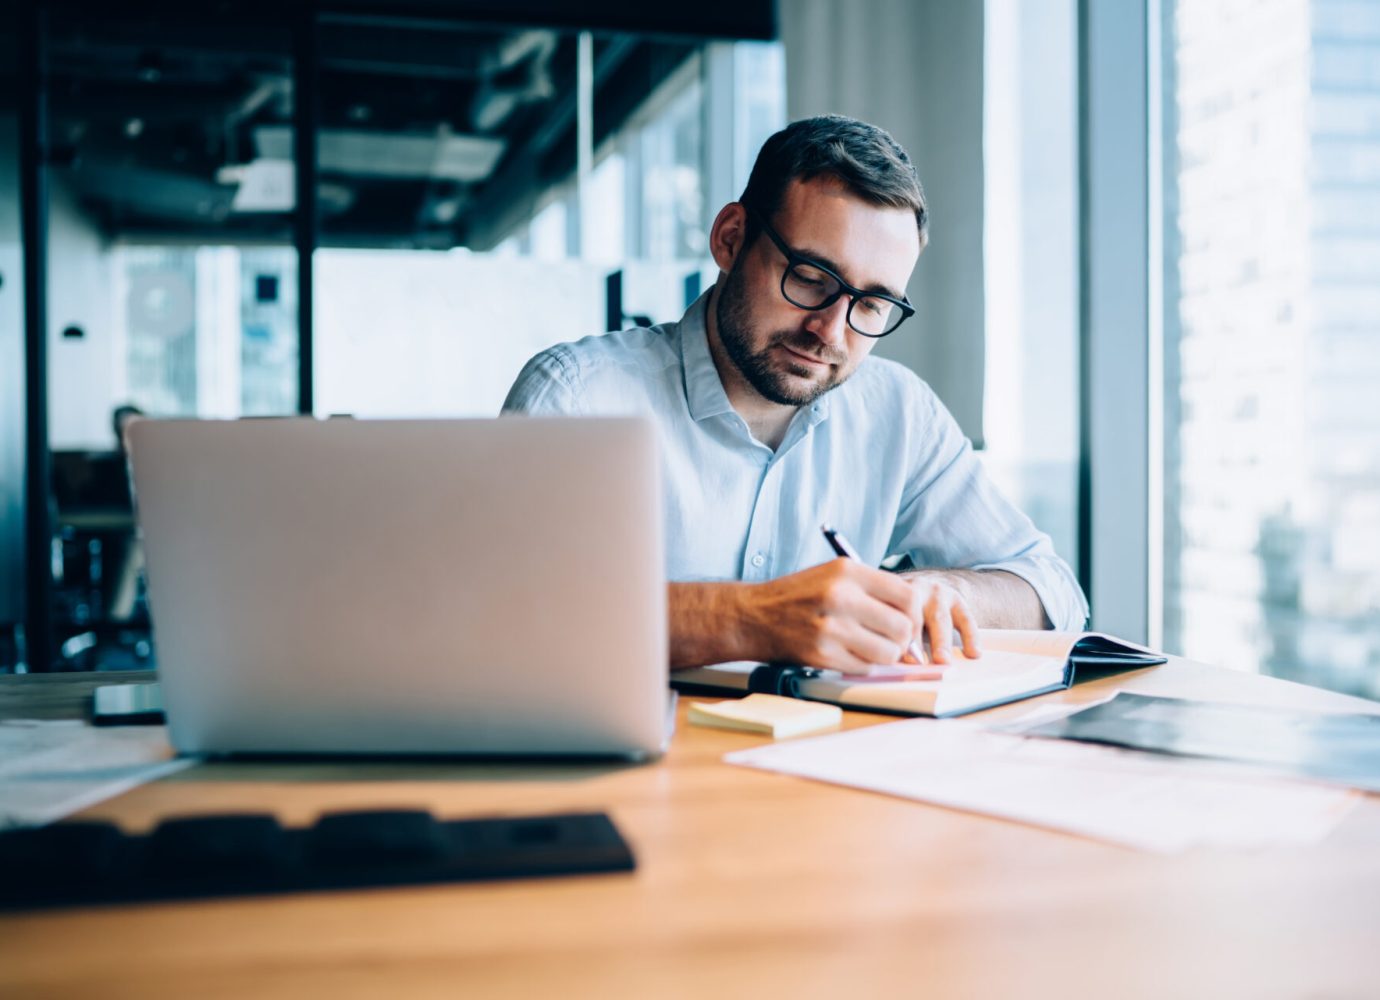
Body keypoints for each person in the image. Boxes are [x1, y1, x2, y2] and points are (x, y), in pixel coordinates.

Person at [503, 114, 1087, 672]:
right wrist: (756, 620)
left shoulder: (898, 411)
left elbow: (1054, 591)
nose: (831, 331)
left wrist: (941, 591)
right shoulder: (577, 396)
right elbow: (500, 610)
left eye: (872, 305)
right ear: (731, 239)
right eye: (809, 279)